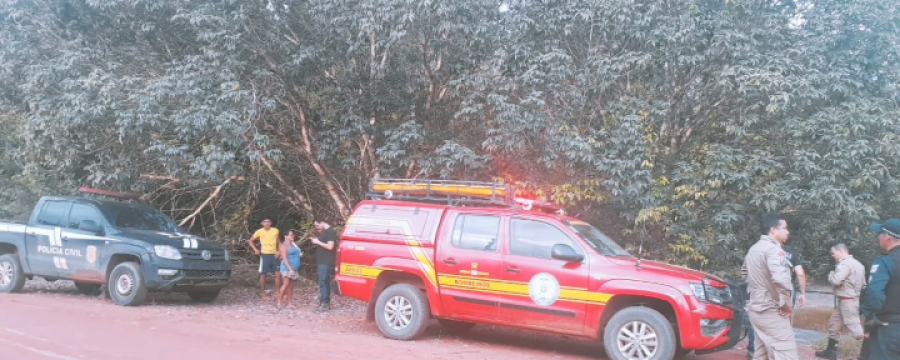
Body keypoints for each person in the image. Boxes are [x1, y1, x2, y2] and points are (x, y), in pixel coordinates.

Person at [742, 213, 799, 360]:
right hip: (771, 311)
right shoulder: (774, 251)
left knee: (762, 354)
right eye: (785, 228)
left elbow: (744, 274)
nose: (787, 232)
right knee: (787, 355)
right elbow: (781, 280)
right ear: (773, 230)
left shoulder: (753, 249)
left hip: (757, 310)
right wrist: (786, 304)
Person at [746, 241, 807, 358]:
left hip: (761, 292)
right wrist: (803, 293)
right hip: (784, 292)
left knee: (759, 319)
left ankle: (753, 349)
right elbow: (800, 273)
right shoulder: (791, 254)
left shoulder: (758, 251)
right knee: (782, 322)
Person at [815, 243, 866, 360]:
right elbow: (863, 284)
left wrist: (831, 274)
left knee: (855, 329)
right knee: (834, 325)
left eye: (833, 253)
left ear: (841, 251)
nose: (832, 255)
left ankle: (868, 351)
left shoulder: (844, 263)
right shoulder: (859, 265)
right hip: (848, 300)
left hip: (847, 301)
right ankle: (830, 352)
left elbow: (836, 280)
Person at [860, 219, 900, 360]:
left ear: (888, 237)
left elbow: (874, 293)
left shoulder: (885, 261)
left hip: (888, 328)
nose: (878, 237)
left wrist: (870, 317)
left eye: (880, 233)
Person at [247, 219, 281, 299]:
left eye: (268, 221)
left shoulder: (275, 231)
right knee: (263, 274)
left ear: (271, 223)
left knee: (278, 274)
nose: (267, 223)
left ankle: (277, 292)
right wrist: (255, 249)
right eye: (265, 222)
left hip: (274, 255)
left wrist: (278, 251)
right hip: (264, 255)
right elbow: (250, 241)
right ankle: (263, 293)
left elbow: (278, 241)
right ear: (262, 223)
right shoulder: (259, 231)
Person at [310, 219, 338, 312]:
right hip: (323, 261)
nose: (316, 227)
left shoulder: (330, 232)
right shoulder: (325, 232)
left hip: (327, 261)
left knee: (323, 281)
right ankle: (324, 301)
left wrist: (317, 242)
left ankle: (325, 303)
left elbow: (330, 246)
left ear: (322, 222)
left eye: (317, 225)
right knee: (324, 282)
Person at [277, 230, 303, 310]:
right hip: (287, 267)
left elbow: (297, 254)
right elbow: (284, 258)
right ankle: (279, 302)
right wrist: (290, 269)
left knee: (291, 287)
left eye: (292, 235)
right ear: (285, 236)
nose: (292, 236)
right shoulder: (284, 245)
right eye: (290, 235)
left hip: (295, 268)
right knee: (285, 284)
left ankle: (289, 303)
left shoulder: (294, 245)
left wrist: (300, 255)